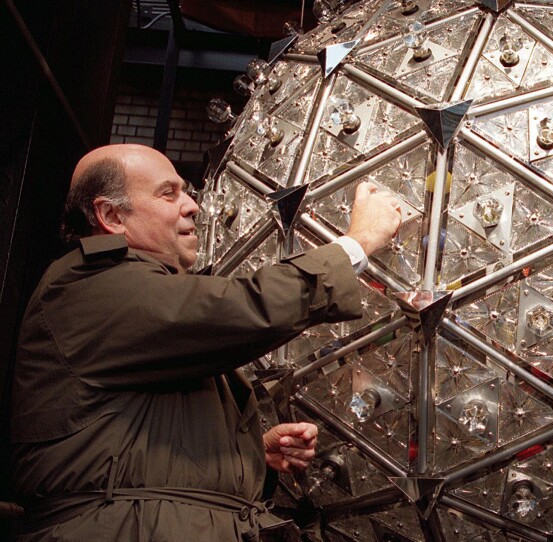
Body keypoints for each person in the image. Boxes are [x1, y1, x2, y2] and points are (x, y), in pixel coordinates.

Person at [8, 144, 402, 541]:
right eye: (168, 193)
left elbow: (132, 446)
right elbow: (241, 309)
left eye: (186, 191)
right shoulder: (91, 287)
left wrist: (246, 455)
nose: (192, 205)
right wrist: (356, 244)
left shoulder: (138, 310)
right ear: (111, 216)